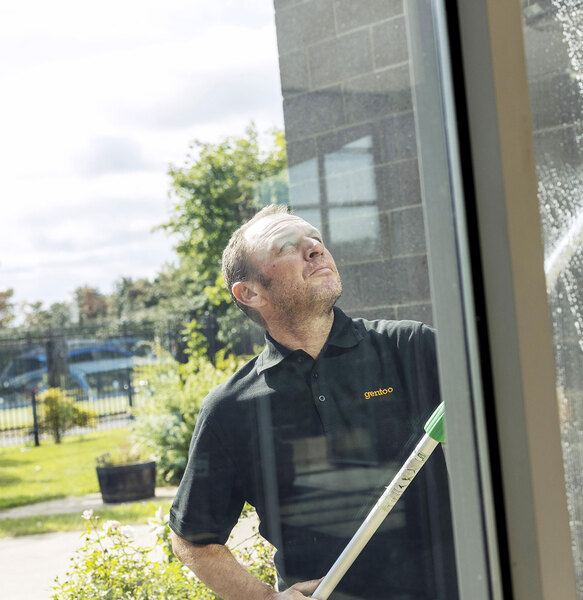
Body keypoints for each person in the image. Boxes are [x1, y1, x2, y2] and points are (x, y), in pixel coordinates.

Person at [170, 204, 456, 600]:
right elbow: (193, 541)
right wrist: (266, 599)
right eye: (287, 246)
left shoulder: (410, 347)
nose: (315, 249)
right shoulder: (230, 409)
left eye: (316, 240)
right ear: (250, 292)